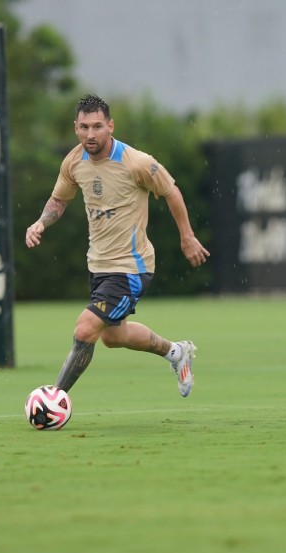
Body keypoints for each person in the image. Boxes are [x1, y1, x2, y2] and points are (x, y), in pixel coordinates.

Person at [25, 94, 209, 399]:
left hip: (131, 267)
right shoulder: (74, 162)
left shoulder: (137, 162)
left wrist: (187, 237)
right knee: (112, 336)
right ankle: (176, 352)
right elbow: (59, 200)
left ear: (111, 126)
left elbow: (172, 192)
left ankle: (54, 399)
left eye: (97, 126)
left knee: (85, 328)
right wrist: (41, 223)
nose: (90, 134)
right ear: (75, 127)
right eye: (84, 127)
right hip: (99, 266)